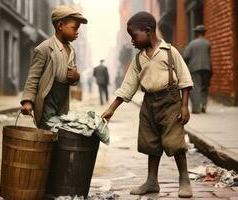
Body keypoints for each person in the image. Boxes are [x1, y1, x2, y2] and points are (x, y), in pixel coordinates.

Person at [102, 12, 194, 198]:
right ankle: (152, 181)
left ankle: (184, 179)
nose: (132, 41)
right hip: (149, 103)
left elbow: (185, 79)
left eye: (134, 36)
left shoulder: (169, 52)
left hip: (170, 102)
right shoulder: (138, 59)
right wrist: (111, 109)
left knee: (174, 141)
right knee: (150, 142)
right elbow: (127, 86)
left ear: (148, 31)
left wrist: (184, 106)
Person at [20, 5, 87, 128]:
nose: (77, 32)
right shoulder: (44, 48)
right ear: (60, 25)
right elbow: (33, 78)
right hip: (48, 97)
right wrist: (28, 101)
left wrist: (76, 77)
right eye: (74, 28)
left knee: (61, 129)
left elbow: (73, 79)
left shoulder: (71, 50)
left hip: (63, 98)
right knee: (49, 130)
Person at [184, 25, 212, 113]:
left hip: (195, 68)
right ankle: (203, 105)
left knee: (196, 87)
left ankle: (196, 108)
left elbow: (186, 56)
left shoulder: (192, 43)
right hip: (207, 68)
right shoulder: (208, 43)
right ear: (204, 33)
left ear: (196, 33)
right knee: (204, 87)